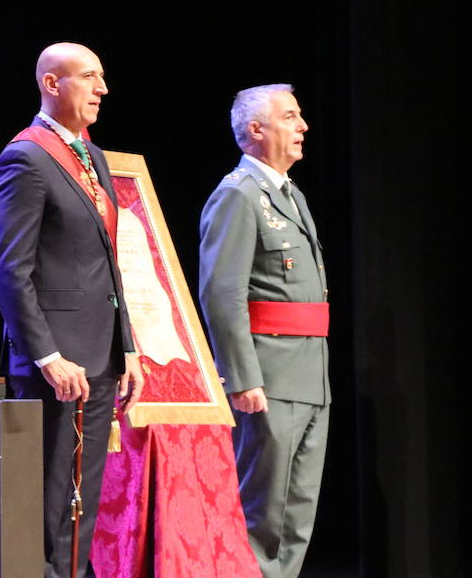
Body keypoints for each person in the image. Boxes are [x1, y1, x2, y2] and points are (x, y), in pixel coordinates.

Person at [0, 42, 145, 578]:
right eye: (89, 78)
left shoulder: (93, 155)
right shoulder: (26, 157)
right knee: (50, 503)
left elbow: (107, 262)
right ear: (52, 85)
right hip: (56, 362)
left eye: (102, 77)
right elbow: (10, 271)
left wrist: (126, 347)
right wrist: (47, 354)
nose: (102, 89)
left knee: (83, 503)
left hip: (99, 355)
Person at [199, 84, 328, 578]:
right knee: (262, 514)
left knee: (297, 516)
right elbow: (221, 294)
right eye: (291, 116)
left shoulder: (290, 196)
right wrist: (241, 376)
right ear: (257, 130)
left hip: (310, 375)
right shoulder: (237, 195)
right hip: (268, 376)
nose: (303, 126)